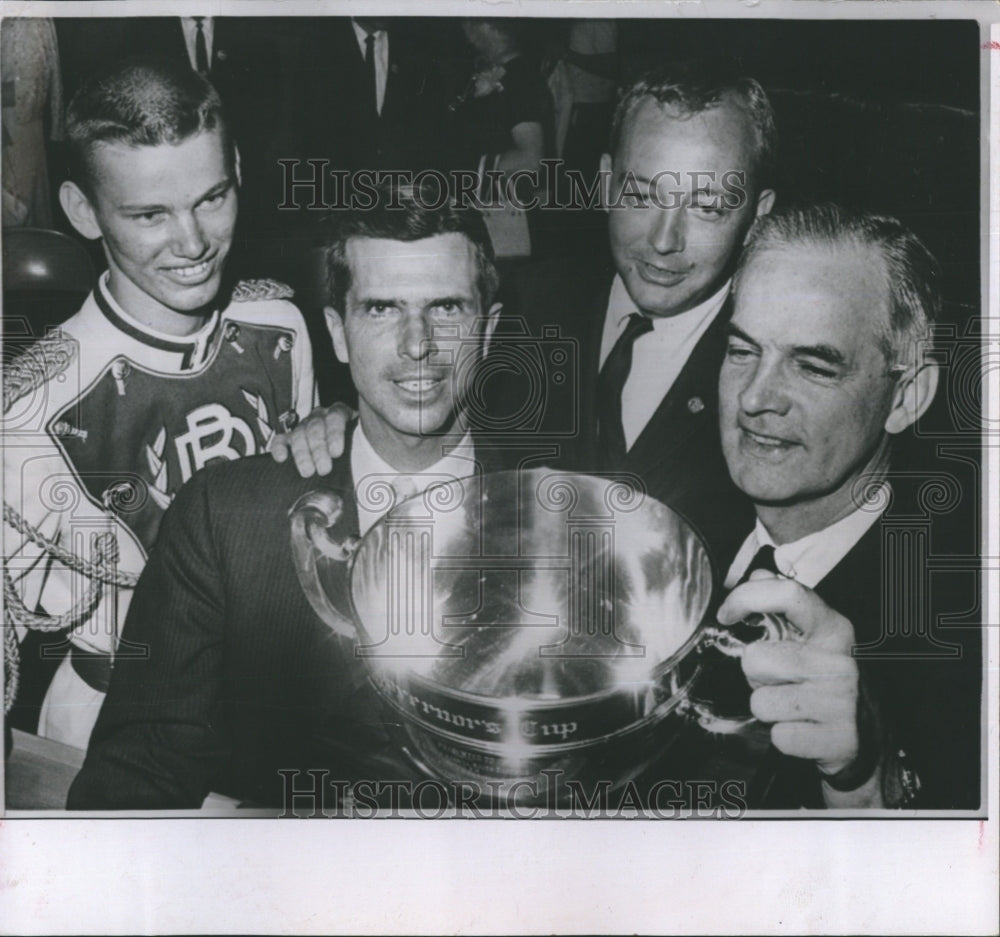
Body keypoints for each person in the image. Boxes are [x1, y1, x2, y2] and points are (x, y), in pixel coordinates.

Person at [66, 184, 505, 809]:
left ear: (487, 330)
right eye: (381, 309)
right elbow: (141, 768)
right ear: (338, 333)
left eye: (447, 308)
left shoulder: (566, 517)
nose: (417, 344)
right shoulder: (226, 517)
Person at [274, 63, 776, 568]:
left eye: (708, 207)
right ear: (605, 182)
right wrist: (345, 423)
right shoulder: (524, 307)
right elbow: (422, 404)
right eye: (641, 195)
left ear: (757, 216)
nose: (665, 241)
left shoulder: (777, 377)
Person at [2, 59, 316, 750]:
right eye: (150, 215)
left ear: (237, 168)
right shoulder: (32, 410)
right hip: (112, 725)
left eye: (212, 197)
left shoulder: (280, 329)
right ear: (83, 211)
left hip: (268, 706)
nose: (194, 243)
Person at [713, 204, 981, 809]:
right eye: (742, 350)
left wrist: (864, 778)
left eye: (813, 367)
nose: (755, 397)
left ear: (906, 397)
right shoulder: (679, 535)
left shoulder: (959, 632)